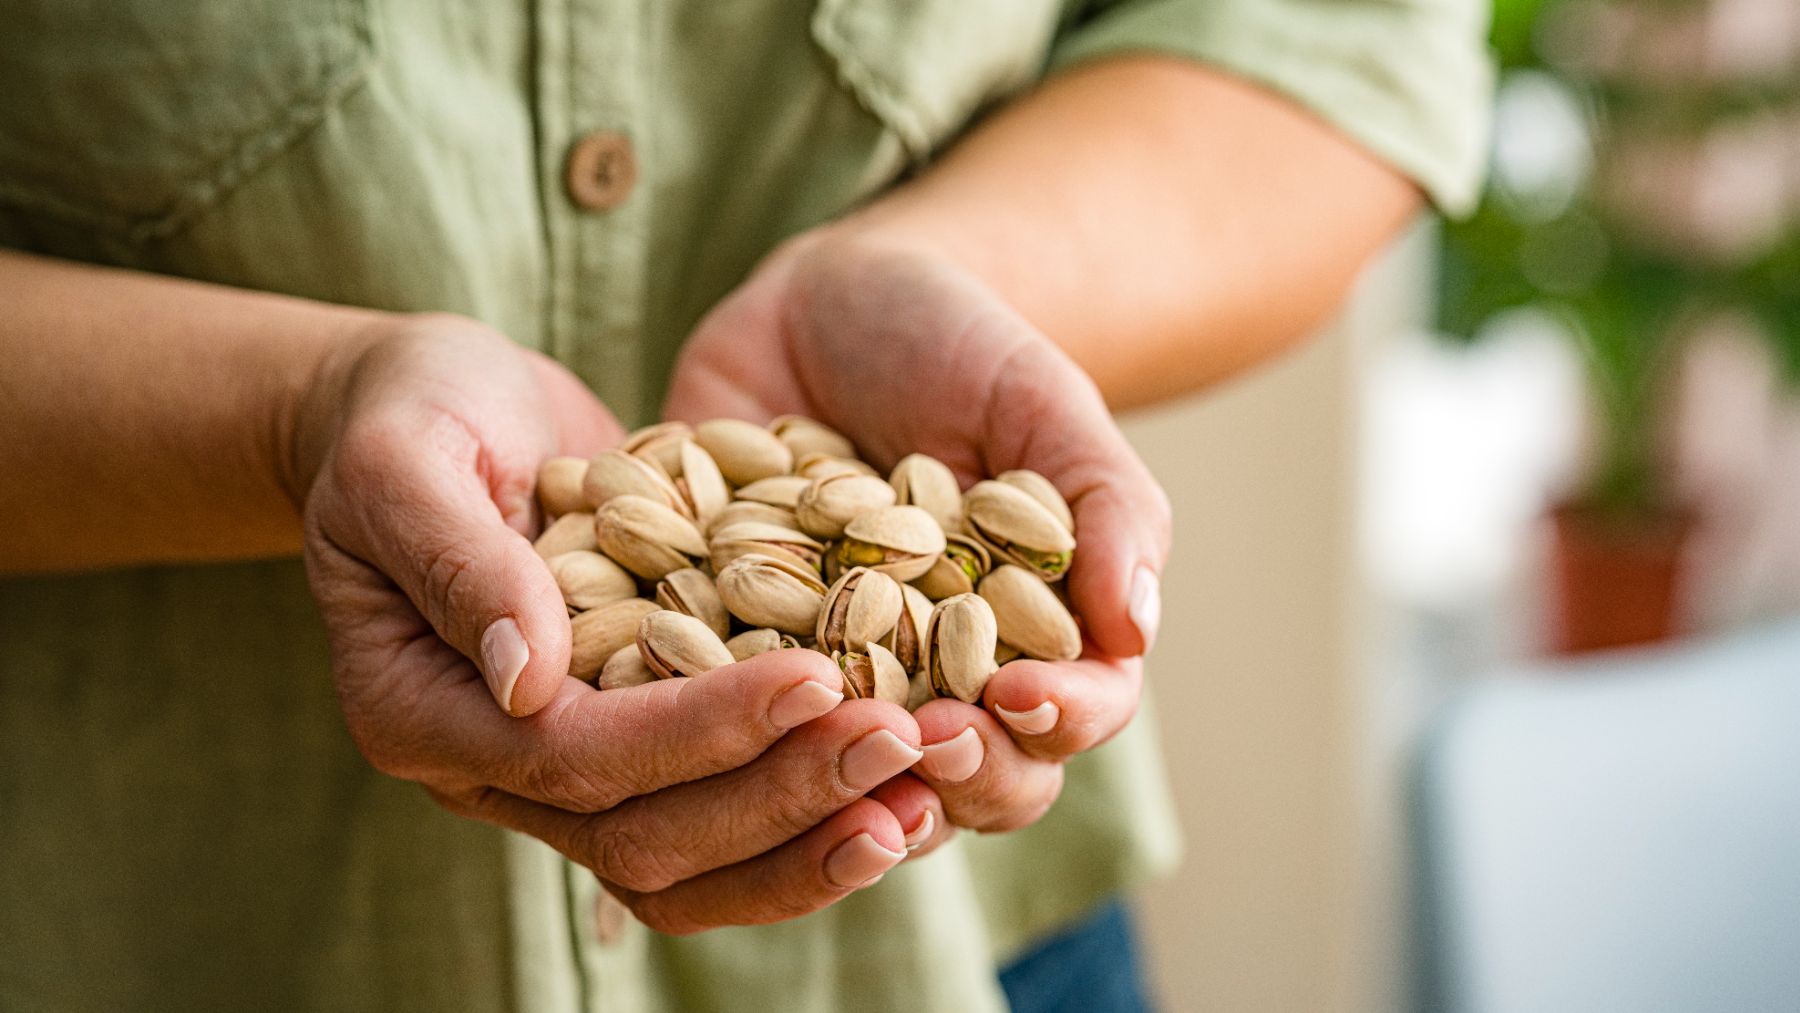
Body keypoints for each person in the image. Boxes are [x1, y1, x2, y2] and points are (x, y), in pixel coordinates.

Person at [0, 2, 1488, 1010]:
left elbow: (1341, 40)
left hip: (955, 946)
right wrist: (289, 415)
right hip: (166, 938)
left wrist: (968, 271)